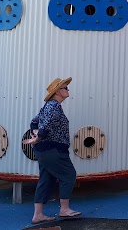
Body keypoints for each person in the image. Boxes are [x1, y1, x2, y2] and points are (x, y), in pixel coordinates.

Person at [22, 77, 81, 225]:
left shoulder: (48, 106)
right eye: (65, 88)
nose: (68, 90)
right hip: (53, 149)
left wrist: (36, 134)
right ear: (58, 92)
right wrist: (38, 136)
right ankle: (64, 209)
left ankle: (38, 214)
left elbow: (35, 121)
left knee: (46, 179)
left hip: (44, 150)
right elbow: (46, 125)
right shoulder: (54, 106)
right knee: (68, 174)